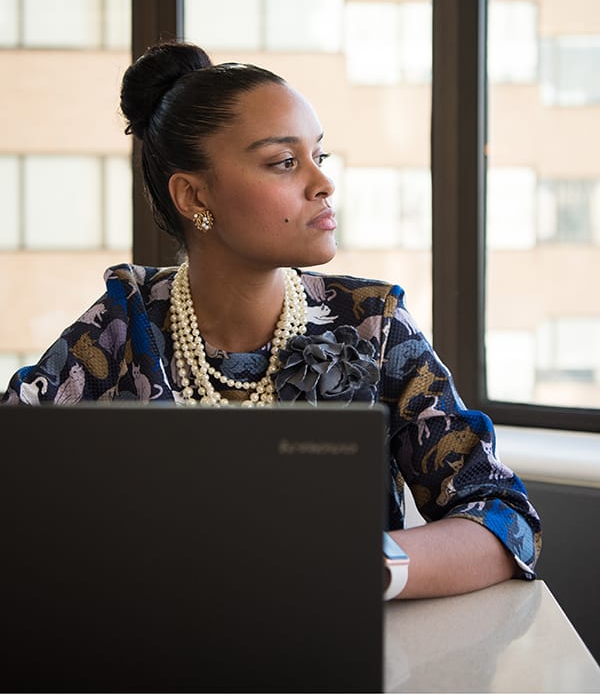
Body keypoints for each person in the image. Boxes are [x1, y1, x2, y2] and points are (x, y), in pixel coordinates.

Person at [1, 39, 541, 598]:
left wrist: (353, 566)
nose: (322, 182)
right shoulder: (121, 327)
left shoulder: (372, 325)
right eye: (285, 162)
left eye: (319, 156)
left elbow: (505, 521)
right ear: (193, 195)